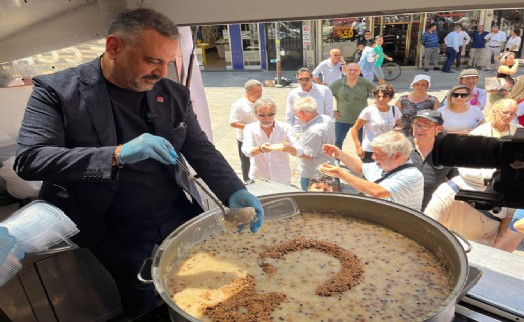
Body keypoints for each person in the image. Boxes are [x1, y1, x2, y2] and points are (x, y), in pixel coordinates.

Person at [13, 8, 263, 319]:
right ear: (114, 47)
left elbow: (199, 147)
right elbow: (30, 160)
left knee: (212, 284)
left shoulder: (173, 94)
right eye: (152, 60)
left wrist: (233, 189)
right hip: (114, 227)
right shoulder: (56, 91)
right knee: (142, 299)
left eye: (168, 63)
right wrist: (116, 154)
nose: (161, 73)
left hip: (176, 212)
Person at [320, 131, 424, 211]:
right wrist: (340, 154)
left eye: (378, 154)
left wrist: (341, 173)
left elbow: (377, 192)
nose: (373, 157)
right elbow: (361, 168)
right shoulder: (384, 164)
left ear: (397, 155)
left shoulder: (412, 176)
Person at [241, 98, 301, 185]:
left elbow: (299, 151)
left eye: (271, 114)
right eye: (262, 115)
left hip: (281, 177)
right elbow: (246, 151)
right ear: (255, 115)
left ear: (275, 114)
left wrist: (288, 148)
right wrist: (260, 149)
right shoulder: (250, 128)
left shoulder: (286, 128)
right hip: (259, 178)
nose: (267, 118)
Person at [409, 110, 454, 211]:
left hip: (433, 212)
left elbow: (455, 181)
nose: (420, 129)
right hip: (402, 210)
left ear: (438, 128)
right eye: (417, 124)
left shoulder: (447, 152)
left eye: (426, 125)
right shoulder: (401, 146)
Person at [329, 63, 376, 150]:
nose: (352, 72)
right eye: (350, 70)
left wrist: (375, 110)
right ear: (345, 71)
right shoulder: (337, 84)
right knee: (338, 140)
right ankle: (336, 158)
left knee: (363, 141)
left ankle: (364, 159)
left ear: (360, 72)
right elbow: (325, 98)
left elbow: (379, 94)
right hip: (342, 119)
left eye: (355, 70)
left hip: (361, 119)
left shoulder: (365, 82)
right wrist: (331, 111)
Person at [293, 96, 335, 191]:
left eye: (296, 114)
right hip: (326, 168)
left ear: (302, 113)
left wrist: (290, 149)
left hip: (312, 176)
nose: (295, 117)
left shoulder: (314, 131)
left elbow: (308, 155)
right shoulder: (326, 118)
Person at [351, 85, 401, 163]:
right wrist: (358, 147)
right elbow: (355, 129)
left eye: (384, 96)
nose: (381, 99)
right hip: (370, 150)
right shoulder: (368, 111)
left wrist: (397, 131)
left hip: (389, 149)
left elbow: (399, 125)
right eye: (378, 96)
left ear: (390, 98)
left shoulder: (395, 110)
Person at [229, 79, 262, 183]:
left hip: (259, 137)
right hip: (245, 139)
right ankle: (247, 182)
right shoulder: (239, 105)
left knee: (259, 161)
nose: (260, 94)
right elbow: (233, 123)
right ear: (248, 91)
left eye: (261, 91)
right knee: (246, 162)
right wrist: (250, 128)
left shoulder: (259, 102)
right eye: (257, 92)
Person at [286, 67, 333, 132]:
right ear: (297, 80)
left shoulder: (324, 91)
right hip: (299, 129)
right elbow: (289, 114)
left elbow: (329, 112)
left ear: (312, 78)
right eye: (301, 79)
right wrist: (288, 131)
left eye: (307, 79)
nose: (304, 82)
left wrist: (328, 129)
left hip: (319, 128)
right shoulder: (293, 94)